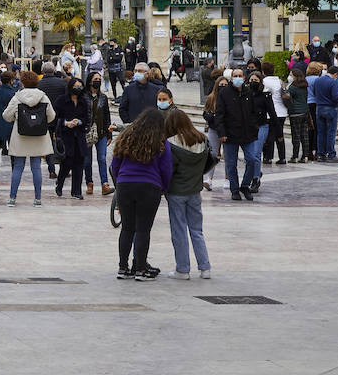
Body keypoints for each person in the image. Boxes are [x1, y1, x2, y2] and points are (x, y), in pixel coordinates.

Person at [111, 108, 173, 280]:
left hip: (125, 184)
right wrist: (164, 188)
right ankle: (140, 268)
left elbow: (115, 164)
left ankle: (123, 267)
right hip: (149, 186)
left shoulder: (126, 137)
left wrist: (119, 182)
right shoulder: (160, 141)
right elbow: (166, 168)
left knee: (127, 228)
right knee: (143, 229)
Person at [164, 105, 215, 279]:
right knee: (196, 230)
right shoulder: (202, 140)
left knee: (179, 230)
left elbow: (168, 170)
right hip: (195, 190)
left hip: (177, 191)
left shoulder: (171, 144)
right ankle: (205, 267)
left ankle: (183, 269)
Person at [1, 70, 55, 207]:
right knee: (36, 167)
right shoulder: (43, 97)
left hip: (20, 136)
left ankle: (12, 198)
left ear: (23, 82)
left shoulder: (17, 97)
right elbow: (52, 116)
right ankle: (37, 199)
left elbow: (6, 116)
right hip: (38, 136)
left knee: (18, 167)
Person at [212, 68, 261, 201]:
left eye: (240, 75)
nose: (238, 78)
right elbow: (219, 115)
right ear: (231, 78)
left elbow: (253, 113)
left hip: (247, 134)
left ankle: (245, 185)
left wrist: (254, 129)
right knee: (231, 164)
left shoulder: (248, 92)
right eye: (235, 76)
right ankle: (234, 189)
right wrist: (222, 133)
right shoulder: (225, 93)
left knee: (252, 160)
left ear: (244, 78)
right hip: (230, 134)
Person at [54, 76, 90, 200]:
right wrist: (66, 123)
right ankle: (60, 183)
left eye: (80, 87)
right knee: (67, 163)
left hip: (79, 136)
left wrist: (79, 122)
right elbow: (55, 118)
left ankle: (76, 191)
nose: (78, 89)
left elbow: (86, 119)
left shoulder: (83, 102)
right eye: (76, 86)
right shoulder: (61, 100)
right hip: (66, 136)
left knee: (79, 164)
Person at [312, 62, 338, 162]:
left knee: (321, 132)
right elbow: (335, 97)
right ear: (335, 74)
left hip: (319, 108)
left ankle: (321, 154)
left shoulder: (318, 80)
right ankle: (331, 154)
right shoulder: (333, 82)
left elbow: (314, 93)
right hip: (330, 108)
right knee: (330, 132)